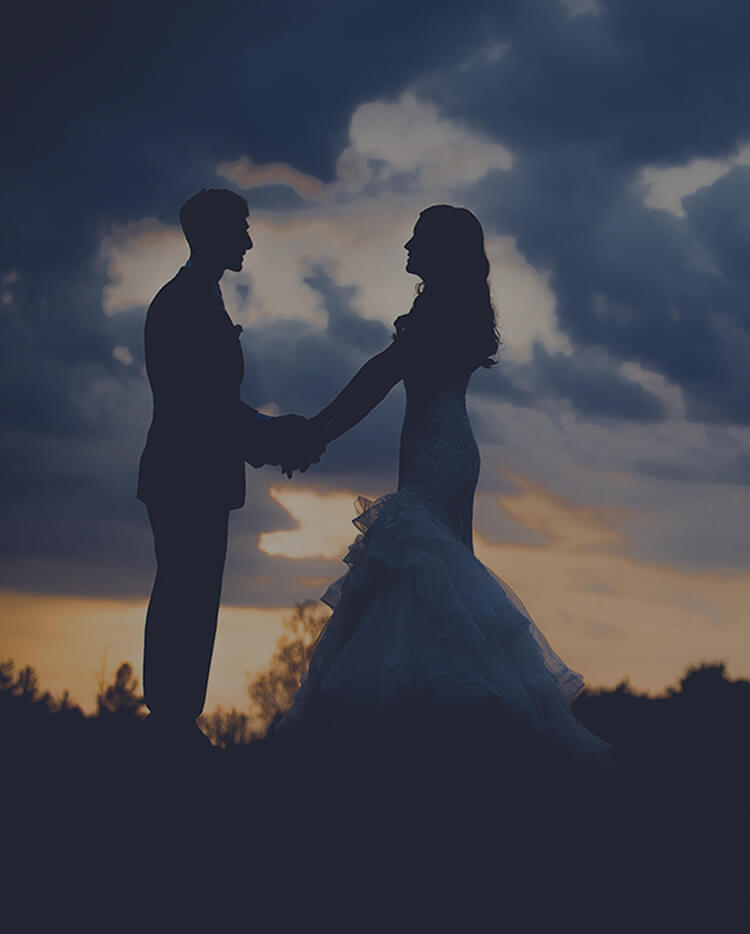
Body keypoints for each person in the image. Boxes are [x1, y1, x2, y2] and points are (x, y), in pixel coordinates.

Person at [279, 204, 613, 766]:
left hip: (437, 452)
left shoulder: (434, 316)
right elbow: (379, 377)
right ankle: (441, 730)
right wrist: (319, 432)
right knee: (437, 576)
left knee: (420, 567)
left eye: (416, 239)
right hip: (451, 447)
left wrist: (316, 432)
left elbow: (377, 378)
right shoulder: (450, 311)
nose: (406, 247)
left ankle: (424, 729)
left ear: (440, 250)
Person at [137, 188, 323, 751]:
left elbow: (210, 404)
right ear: (211, 233)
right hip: (184, 477)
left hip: (195, 475)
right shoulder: (181, 303)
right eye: (240, 228)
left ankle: (175, 721)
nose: (247, 239)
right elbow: (199, 405)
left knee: (192, 595)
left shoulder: (198, 298)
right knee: (184, 595)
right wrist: (274, 435)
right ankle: (171, 723)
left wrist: (272, 433)